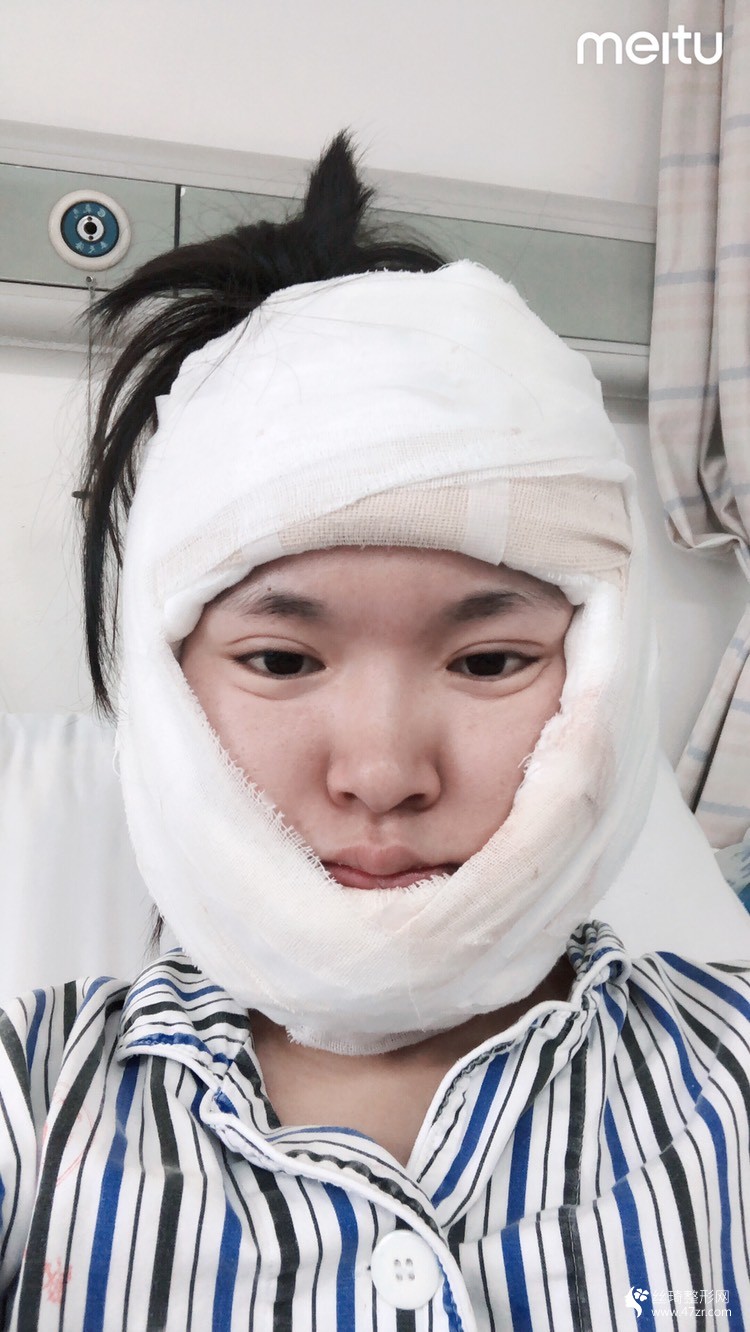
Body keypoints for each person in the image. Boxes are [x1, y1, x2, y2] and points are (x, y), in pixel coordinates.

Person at [0, 130, 748, 1332]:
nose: (385, 773)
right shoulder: (35, 1106)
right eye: (281, 661)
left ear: (606, 671)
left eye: (490, 662)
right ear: (165, 686)